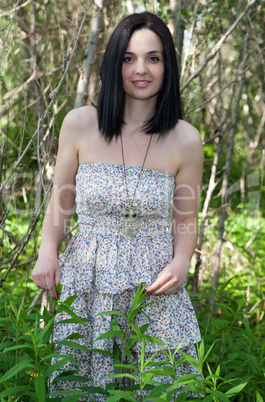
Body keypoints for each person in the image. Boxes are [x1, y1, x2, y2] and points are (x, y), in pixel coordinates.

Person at [32, 11, 204, 399]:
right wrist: (47, 251)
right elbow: (61, 199)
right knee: (85, 384)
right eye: (129, 58)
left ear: (167, 66)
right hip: (87, 277)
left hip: (154, 286)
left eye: (153, 58)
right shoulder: (79, 124)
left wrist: (181, 263)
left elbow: (186, 218)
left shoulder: (186, 139)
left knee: (158, 384)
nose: (140, 69)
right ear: (114, 64)